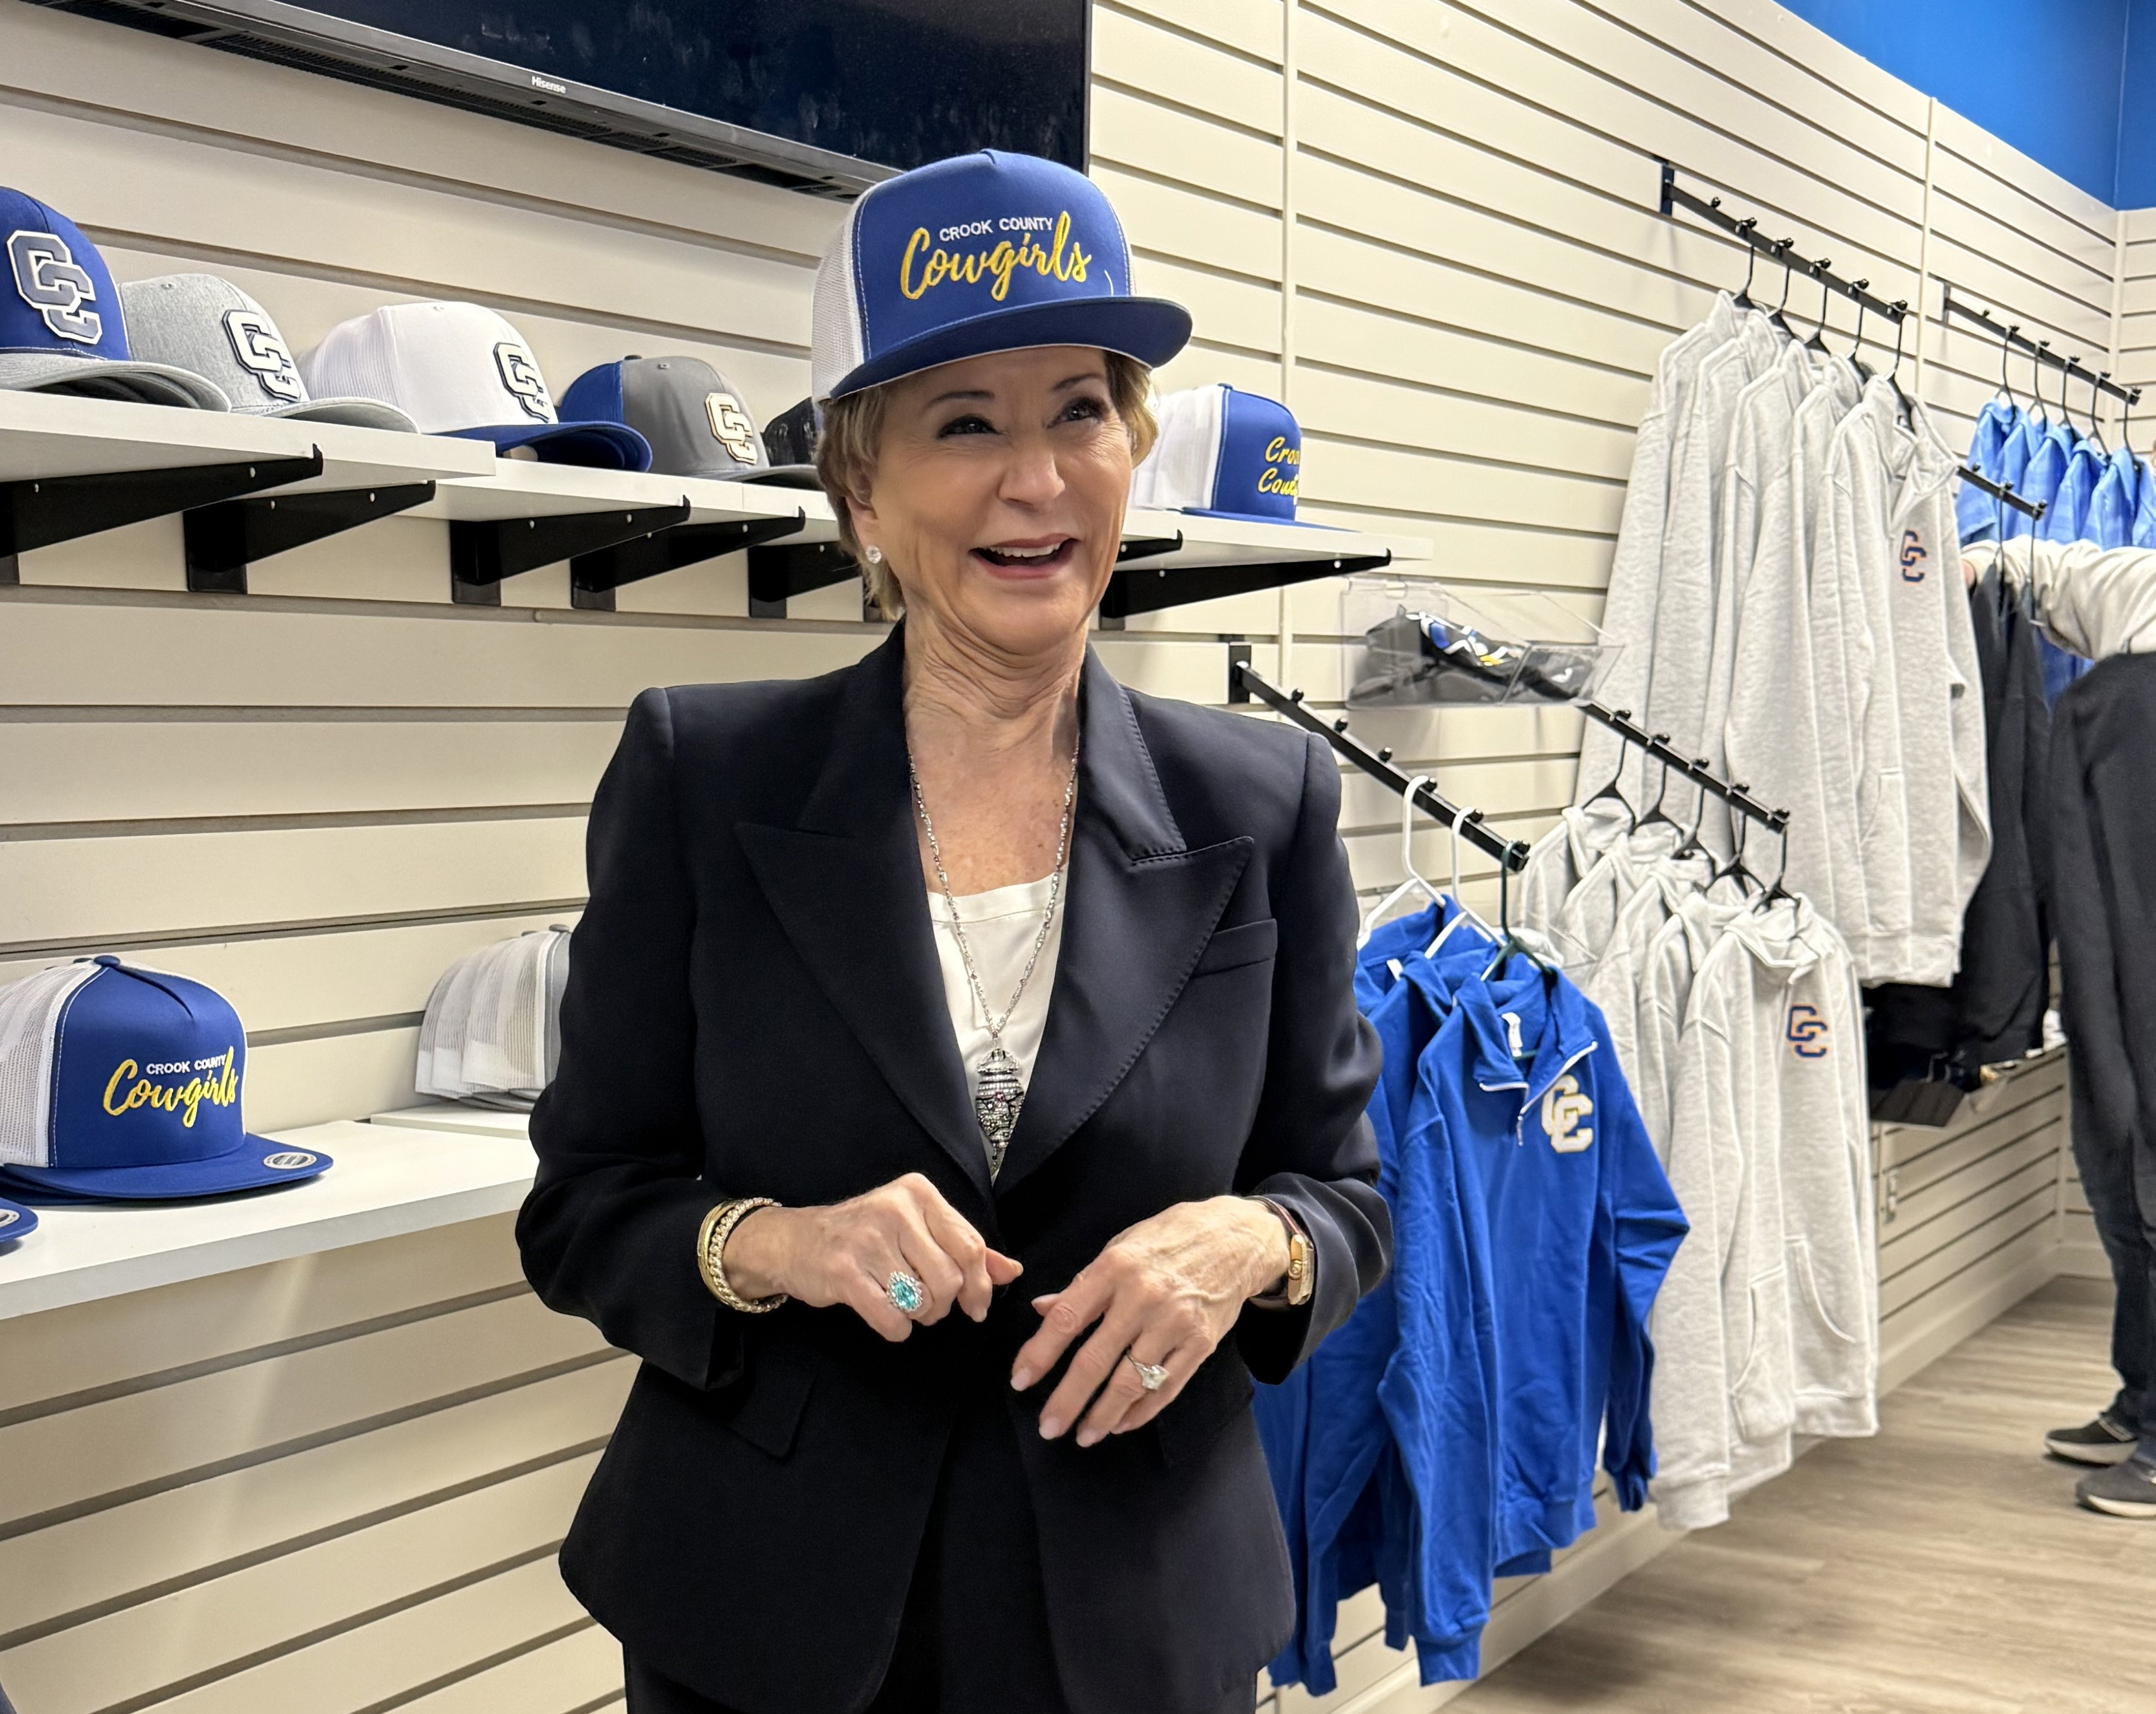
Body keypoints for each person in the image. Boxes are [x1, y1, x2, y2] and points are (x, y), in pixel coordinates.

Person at [517, 150, 1391, 1713]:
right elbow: (586, 1207)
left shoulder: (1263, 801)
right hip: (767, 1612)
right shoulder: (701, 778)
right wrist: (777, 1243)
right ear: (860, 486)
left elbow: (1346, 1196)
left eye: (1080, 411)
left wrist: (1247, 1241)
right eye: (964, 424)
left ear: (1135, 446)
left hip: (1138, 1605)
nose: (1037, 479)